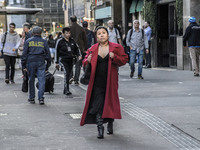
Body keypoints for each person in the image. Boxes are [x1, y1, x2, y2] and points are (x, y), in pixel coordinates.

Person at [80, 26, 128, 139]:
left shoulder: (116, 47)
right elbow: (84, 61)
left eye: (104, 33)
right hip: (96, 82)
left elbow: (124, 59)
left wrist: (114, 57)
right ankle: (100, 127)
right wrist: (88, 60)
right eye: (99, 33)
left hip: (110, 81)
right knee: (98, 104)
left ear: (107, 35)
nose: (101, 35)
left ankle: (110, 122)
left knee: (110, 102)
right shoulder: (92, 49)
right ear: (96, 37)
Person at [21, 26, 51, 105]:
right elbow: (48, 54)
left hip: (31, 61)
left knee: (31, 80)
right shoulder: (44, 41)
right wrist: (48, 65)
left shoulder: (28, 41)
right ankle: (41, 98)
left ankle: (31, 98)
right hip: (41, 61)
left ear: (33, 33)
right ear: (41, 33)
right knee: (41, 80)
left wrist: (23, 65)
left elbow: (24, 54)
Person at [55, 27, 81, 95]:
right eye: (66, 33)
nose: (68, 34)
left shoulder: (72, 41)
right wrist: (56, 62)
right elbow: (56, 52)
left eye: (69, 33)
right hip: (63, 60)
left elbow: (77, 48)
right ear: (63, 34)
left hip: (71, 59)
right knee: (66, 73)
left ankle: (65, 89)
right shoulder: (60, 41)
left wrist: (79, 55)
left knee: (69, 74)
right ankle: (67, 89)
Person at [69, 15, 87, 85]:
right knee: (78, 65)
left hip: (70, 49)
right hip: (80, 49)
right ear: (76, 20)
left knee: (70, 64)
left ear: (71, 21)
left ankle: (70, 77)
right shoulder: (81, 28)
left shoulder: (69, 29)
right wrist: (84, 48)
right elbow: (85, 39)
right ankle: (76, 79)